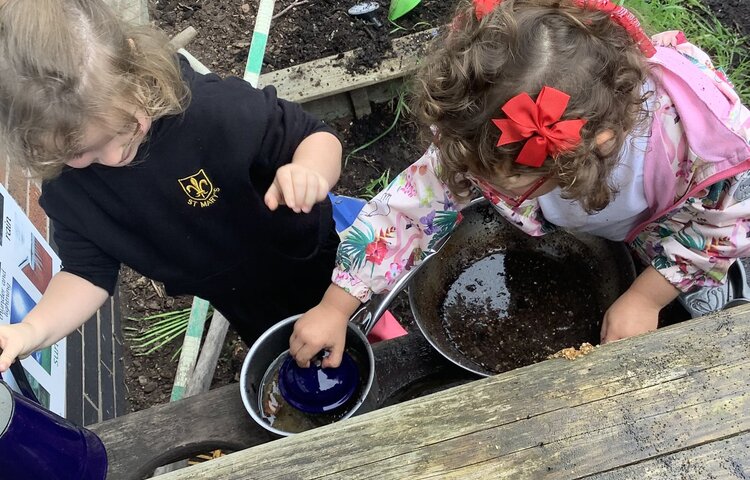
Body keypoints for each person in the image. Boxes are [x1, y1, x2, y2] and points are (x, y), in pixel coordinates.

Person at [290, 0, 750, 369]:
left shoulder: (703, 148)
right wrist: (336, 306)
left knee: (682, 283)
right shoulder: (482, 120)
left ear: (595, 146)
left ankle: (670, 284)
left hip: (674, 216)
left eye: (502, 181)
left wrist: (646, 298)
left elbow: (721, 229)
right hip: (594, 202)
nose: (474, 182)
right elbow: (409, 209)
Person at [0, 0, 343, 372]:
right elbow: (85, 271)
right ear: (35, 145)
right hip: (233, 293)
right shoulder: (69, 192)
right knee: (280, 340)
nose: (114, 156)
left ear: (132, 66)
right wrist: (31, 330)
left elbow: (316, 136)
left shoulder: (212, 111)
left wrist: (310, 171)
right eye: (80, 152)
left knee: (345, 317)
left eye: (123, 128)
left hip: (307, 254)